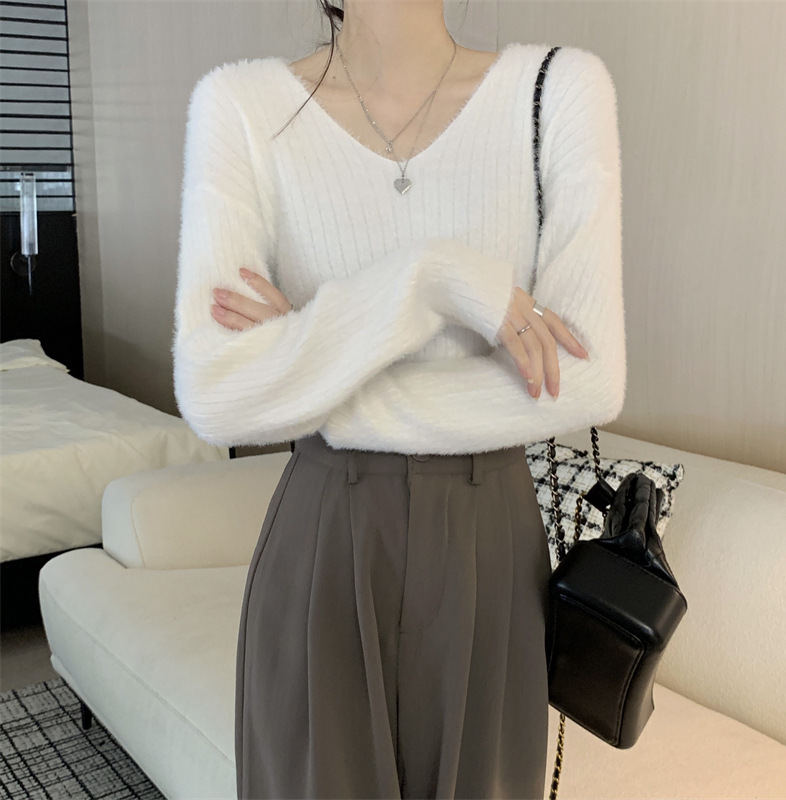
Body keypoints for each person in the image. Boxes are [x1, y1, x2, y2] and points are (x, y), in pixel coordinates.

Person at [172, 0, 625, 797]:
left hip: (490, 550)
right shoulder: (238, 106)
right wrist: (433, 279)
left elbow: (585, 379)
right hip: (325, 541)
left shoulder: (558, 91)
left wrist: (312, 366)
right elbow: (217, 392)